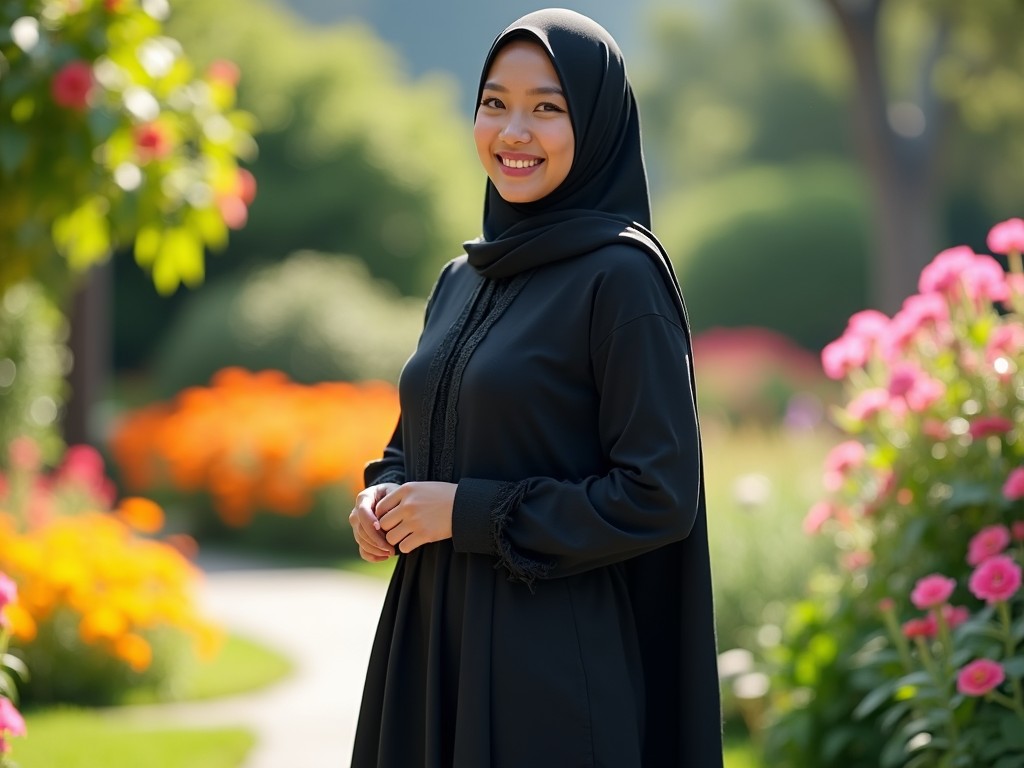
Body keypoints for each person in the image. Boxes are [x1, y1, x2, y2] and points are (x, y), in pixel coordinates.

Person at [348, 8, 722, 767]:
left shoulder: (621, 279)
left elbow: (658, 494)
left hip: (547, 674)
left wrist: (469, 513)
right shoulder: (462, 278)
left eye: (546, 108)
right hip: (430, 650)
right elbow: (417, 435)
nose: (513, 131)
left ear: (596, 123)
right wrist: (382, 495)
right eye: (495, 103)